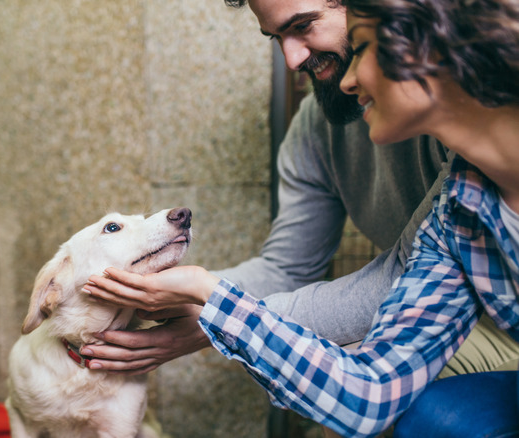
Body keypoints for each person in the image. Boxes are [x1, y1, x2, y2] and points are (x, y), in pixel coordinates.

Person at [83, 0, 519, 436]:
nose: (292, 60)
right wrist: (207, 297)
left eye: (362, 45)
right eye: (277, 38)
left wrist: (214, 308)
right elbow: (367, 392)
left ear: (430, 37)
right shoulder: (458, 212)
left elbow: (394, 279)